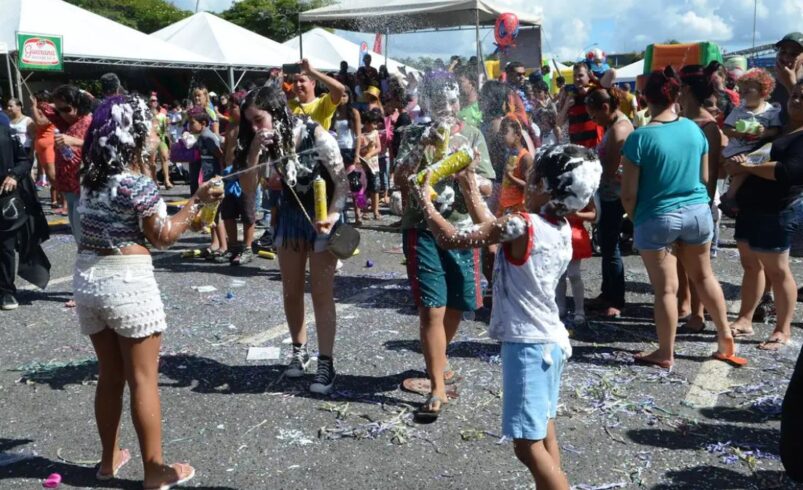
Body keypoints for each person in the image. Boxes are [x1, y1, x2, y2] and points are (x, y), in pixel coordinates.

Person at [412, 143, 600, 488]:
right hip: (551, 342)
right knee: (544, 432)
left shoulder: (522, 225)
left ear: (544, 186)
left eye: (531, 178)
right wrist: (469, 185)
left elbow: (451, 237)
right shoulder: (556, 226)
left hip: (528, 347)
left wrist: (424, 200)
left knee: (526, 446)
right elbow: (492, 228)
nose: (526, 184)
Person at [76, 94, 223, 489]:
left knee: (110, 375)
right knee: (143, 379)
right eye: (151, 130)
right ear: (135, 134)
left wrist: (186, 210)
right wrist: (195, 201)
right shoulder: (136, 183)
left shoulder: (90, 178)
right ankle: (155, 471)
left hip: (88, 278)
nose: (156, 135)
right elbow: (163, 236)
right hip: (127, 283)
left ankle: (108, 460)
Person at [620, 66, 745, 369]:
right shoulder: (694, 129)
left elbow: (629, 194)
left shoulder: (640, 137)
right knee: (704, 276)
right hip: (697, 212)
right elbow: (704, 178)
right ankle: (724, 337)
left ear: (644, 98)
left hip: (657, 216)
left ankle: (666, 352)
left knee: (666, 289)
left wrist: (638, 219)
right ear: (676, 95)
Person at [397, 73, 495, 419]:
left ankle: (438, 359)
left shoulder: (473, 135)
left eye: (452, 101)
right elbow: (399, 178)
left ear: (459, 103)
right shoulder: (413, 133)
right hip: (422, 227)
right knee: (432, 308)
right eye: (439, 102)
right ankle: (437, 386)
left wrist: (467, 173)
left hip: (462, 229)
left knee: (458, 304)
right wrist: (419, 150)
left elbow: (488, 186)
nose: (447, 108)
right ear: (428, 103)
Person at [240, 86, 348, 394]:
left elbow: (342, 183)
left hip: (321, 218)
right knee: (291, 291)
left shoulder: (317, 135)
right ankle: (299, 351)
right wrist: (254, 150)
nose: (255, 128)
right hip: (289, 218)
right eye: (250, 122)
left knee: (321, 294)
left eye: (258, 120)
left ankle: (326, 363)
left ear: (275, 111)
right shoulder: (266, 143)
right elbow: (248, 187)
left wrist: (333, 216)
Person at [724, 80, 803, 350]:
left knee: (778, 271)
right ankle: (745, 319)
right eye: (794, 95)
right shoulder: (778, 128)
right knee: (750, 265)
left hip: (777, 209)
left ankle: (782, 329)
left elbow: (785, 171)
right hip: (750, 206)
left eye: (802, 97)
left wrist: (746, 166)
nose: (796, 101)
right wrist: (739, 164)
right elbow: (752, 157)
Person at [675, 62, 729, 333]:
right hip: (679, 198)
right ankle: (683, 304)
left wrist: (705, 205)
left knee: (697, 265)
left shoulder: (708, 126)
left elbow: (712, 173)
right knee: (679, 258)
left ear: (685, 89)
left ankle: (698, 313)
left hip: (698, 201)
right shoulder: (680, 121)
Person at [584, 86, 634, 319]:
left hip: (615, 196)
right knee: (606, 245)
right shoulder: (612, 126)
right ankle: (607, 293)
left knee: (611, 246)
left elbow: (610, 169)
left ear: (605, 107)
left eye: (594, 115)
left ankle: (616, 299)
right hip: (608, 193)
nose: (593, 120)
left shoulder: (619, 130)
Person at [719, 68, 783, 215]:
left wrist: (764, 132)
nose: (742, 95)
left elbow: (776, 130)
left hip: (758, 150)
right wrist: (739, 132)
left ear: (763, 92)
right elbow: (726, 129)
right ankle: (730, 196)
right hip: (737, 149)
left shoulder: (771, 111)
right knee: (744, 166)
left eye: (747, 91)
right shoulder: (739, 110)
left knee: (746, 167)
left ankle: (730, 195)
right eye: (741, 91)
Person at [0, 120, 49, 311]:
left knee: (5, 246)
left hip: (4, 198)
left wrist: (14, 175)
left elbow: (24, 161)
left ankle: (6, 291)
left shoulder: (5, 133)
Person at [40, 85, 93, 243]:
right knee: (77, 235)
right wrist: (57, 104)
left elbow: (101, 147)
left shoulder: (88, 121)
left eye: (67, 109)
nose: (63, 114)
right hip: (68, 188)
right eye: (59, 110)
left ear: (78, 105)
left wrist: (75, 141)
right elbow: (43, 106)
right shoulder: (65, 122)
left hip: (82, 188)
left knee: (83, 237)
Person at [186, 107, 228, 262]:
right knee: (210, 213)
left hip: (214, 179)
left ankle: (223, 246)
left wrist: (220, 177)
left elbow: (220, 156)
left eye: (192, 123)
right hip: (208, 178)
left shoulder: (207, 136)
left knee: (216, 214)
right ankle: (215, 243)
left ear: (203, 123)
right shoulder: (201, 136)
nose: (189, 126)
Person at [220, 91, 256, 265]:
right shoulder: (230, 127)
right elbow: (226, 151)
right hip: (229, 176)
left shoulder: (249, 128)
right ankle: (233, 246)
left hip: (245, 175)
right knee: (228, 213)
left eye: (232, 107)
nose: (229, 110)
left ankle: (247, 247)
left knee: (247, 213)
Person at [288, 58, 346, 131]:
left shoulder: (322, 103)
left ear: (313, 83)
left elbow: (340, 89)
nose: (298, 84)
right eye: (295, 81)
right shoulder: (289, 105)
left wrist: (312, 71)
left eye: (302, 81)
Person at [331, 89, 362, 223]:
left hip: (349, 150)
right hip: (336, 150)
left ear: (349, 96)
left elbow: (358, 135)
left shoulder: (354, 112)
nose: (342, 98)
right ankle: (340, 214)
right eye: (340, 95)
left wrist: (357, 155)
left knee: (355, 183)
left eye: (344, 95)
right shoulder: (333, 112)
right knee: (338, 184)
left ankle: (359, 211)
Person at [557, 64, 604, 149]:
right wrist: (566, 105)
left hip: (596, 147)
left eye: (580, 75)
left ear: (588, 76)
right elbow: (559, 123)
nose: (577, 79)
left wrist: (594, 79)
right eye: (574, 76)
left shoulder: (596, 91)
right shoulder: (569, 95)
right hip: (577, 149)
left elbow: (612, 73)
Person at [29, 91, 62, 212]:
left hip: (49, 145)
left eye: (38, 101)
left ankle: (65, 200)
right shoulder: (39, 111)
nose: (36, 104)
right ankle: (58, 199)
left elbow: (40, 122)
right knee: (49, 176)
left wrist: (34, 108)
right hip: (40, 145)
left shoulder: (51, 111)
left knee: (53, 176)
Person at [497, 116, 533, 216]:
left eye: (505, 132)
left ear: (517, 134)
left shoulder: (525, 157)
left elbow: (529, 186)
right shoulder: (510, 154)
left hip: (517, 209)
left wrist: (510, 177)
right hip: (504, 206)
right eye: (501, 132)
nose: (501, 136)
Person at [772, 33, 803, 127]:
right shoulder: (769, 84)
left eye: (794, 54)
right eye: (783, 52)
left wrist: (790, 84)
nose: (786, 58)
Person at [359, 108, 383, 221]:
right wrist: (367, 148)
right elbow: (359, 151)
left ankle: (375, 210)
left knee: (375, 188)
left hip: (374, 166)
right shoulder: (361, 135)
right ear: (366, 123)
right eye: (373, 123)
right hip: (363, 166)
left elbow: (379, 148)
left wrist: (369, 154)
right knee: (362, 189)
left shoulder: (375, 133)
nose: (375, 126)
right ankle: (363, 210)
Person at [147, 93, 174, 189]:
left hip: (161, 138)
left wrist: (167, 125)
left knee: (165, 157)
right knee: (152, 161)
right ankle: (154, 181)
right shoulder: (146, 114)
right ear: (149, 102)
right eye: (151, 100)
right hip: (151, 140)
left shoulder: (162, 115)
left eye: (155, 100)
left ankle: (167, 180)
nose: (153, 102)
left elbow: (165, 129)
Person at [532, 79, 561, 145]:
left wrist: (544, 107)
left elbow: (556, 116)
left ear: (545, 92)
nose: (536, 94)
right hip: (541, 134)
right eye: (534, 92)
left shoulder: (551, 102)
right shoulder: (534, 104)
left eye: (539, 92)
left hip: (553, 133)